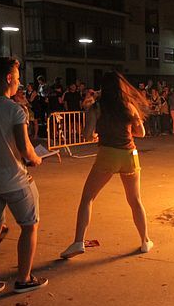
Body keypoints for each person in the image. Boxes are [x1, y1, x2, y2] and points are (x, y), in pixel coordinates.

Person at [0, 57, 46, 300]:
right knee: (29, 226)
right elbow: (25, 148)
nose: (19, 81)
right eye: (17, 77)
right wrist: (35, 158)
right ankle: (24, 279)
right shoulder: (15, 109)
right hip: (14, 179)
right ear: (8, 79)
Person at [60, 71, 153, 259]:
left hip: (107, 155)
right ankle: (145, 241)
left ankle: (79, 241)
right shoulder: (129, 106)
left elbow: (87, 135)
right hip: (129, 155)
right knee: (135, 201)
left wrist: (96, 131)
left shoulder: (97, 107)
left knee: (88, 198)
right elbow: (141, 132)